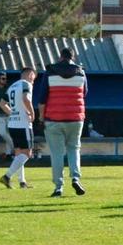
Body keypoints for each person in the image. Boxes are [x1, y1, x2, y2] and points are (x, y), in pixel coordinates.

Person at [39, 49, 87, 197]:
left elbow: (42, 98)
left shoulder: (50, 72)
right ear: (73, 57)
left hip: (54, 118)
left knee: (57, 154)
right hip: (75, 118)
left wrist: (41, 117)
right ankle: (75, 178)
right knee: (74, 149)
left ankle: (58, 187)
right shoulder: (81, 72)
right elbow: (84, 93)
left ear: (60, 56)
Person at [0, 68, 37, 189]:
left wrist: (12, 113)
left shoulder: (12, 86)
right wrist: (32, 113)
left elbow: (2, 104)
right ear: (30, 74)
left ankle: (22, 181)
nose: (33, 81)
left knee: (19, 153)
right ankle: (7, 176)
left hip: (12, 124)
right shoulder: (26, 84)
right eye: (33, 78)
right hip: (23, 124)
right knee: (27, 153)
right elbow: (26, 99)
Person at [0, 73, 14, 158]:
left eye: (5, 79)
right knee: (3, 133)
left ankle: (8, 153)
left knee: (9, 133)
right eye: (3, 78)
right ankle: (14, 148)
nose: (5, 80)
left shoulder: (9, 88)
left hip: (8, 113)